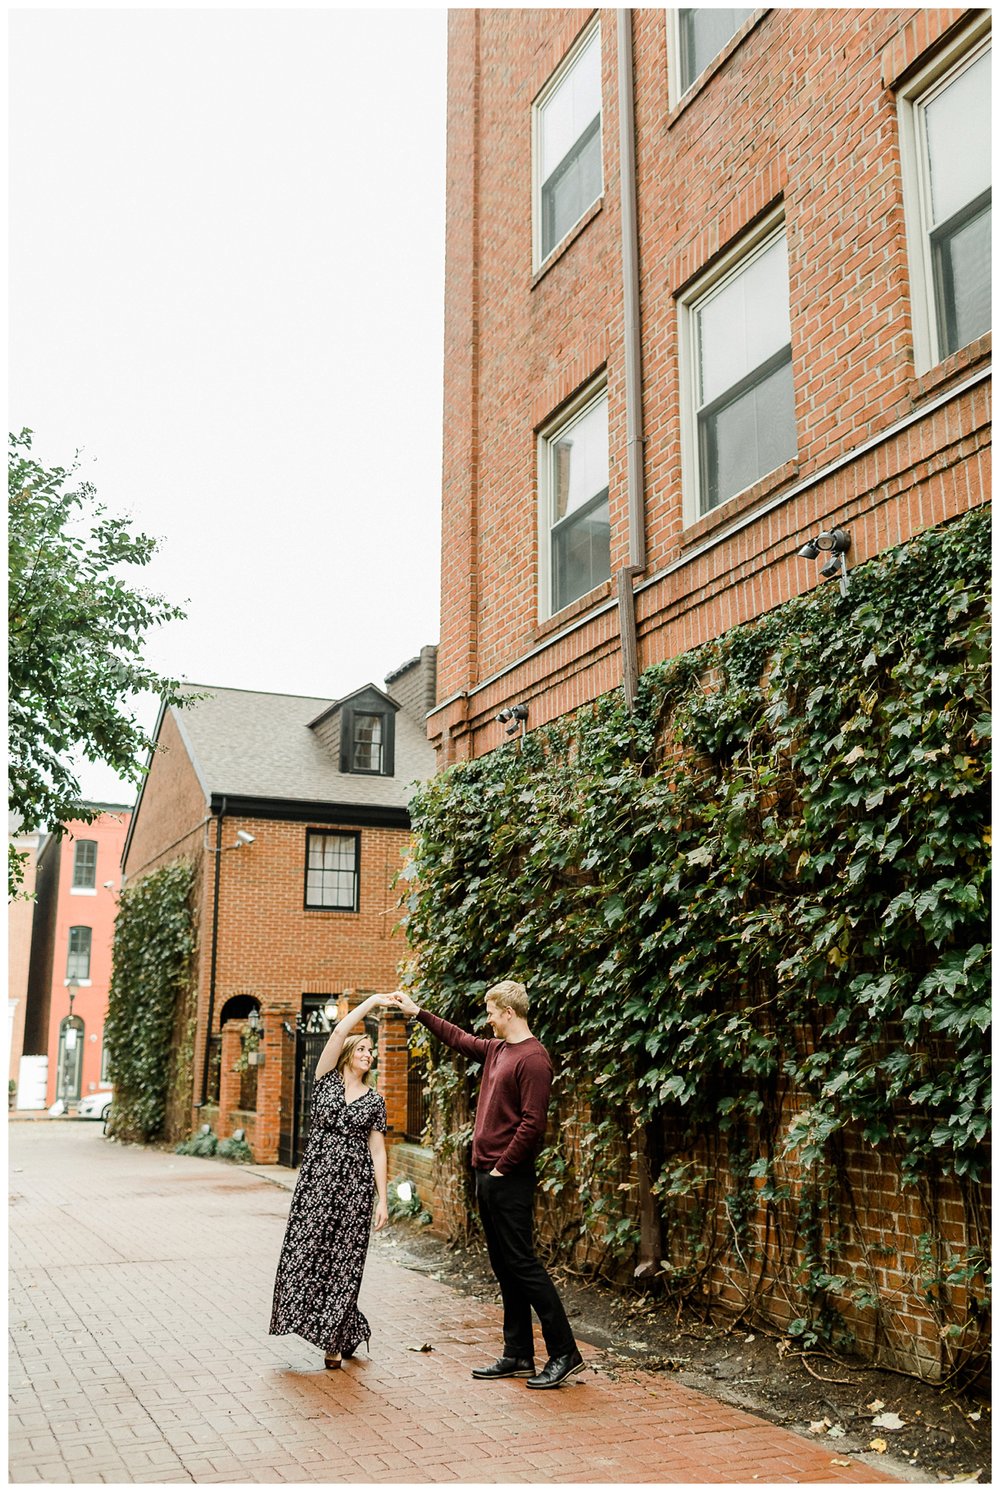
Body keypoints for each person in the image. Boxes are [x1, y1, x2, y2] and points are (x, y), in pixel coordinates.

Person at [390, 981, 584, 1389]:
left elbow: (533, 1124)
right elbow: (458, 1038)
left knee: (524, 1265)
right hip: (488, 1174)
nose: (488, 1019)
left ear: (509, 1012)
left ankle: (565, 1352)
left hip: (507, 1177)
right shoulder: (498, 1050)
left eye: (492, 1011)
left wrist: (501, 1169)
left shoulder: (533, 1059)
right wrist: (417, 1012)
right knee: (504, 1266)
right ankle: (518, 1354)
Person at [269, 992, 393, 1369]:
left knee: (345, 1261)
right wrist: (371, 1003)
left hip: (354, 1189)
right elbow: (339, 1030)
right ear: (348, 1053)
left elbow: (378, 1152)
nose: (367, 1054)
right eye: (363, 1049)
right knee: (307, 1254)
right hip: (316, 1185)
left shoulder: (374, 1101)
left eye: (372, 1052)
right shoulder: (324, 1080)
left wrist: (382, 1199)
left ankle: (335, 1340)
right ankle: (338, 1325)